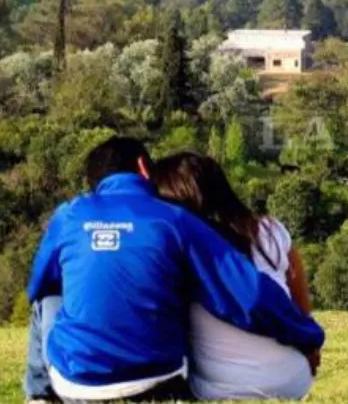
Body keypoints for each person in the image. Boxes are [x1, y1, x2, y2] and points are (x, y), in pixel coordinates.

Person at [23, 137, 324, 404]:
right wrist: (308, 336)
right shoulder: (175, 219)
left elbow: (39, 285)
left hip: (77, 385)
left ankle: (39, 396)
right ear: (144, 168)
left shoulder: (68, 215)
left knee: (45, 300)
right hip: (159, 382)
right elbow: (250, 295)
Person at [152, 152, 317, 400]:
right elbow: (301, 305)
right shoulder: (271, 230)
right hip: (293, 378)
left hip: (220, 389)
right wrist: (311, 346)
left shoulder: (178, 250)